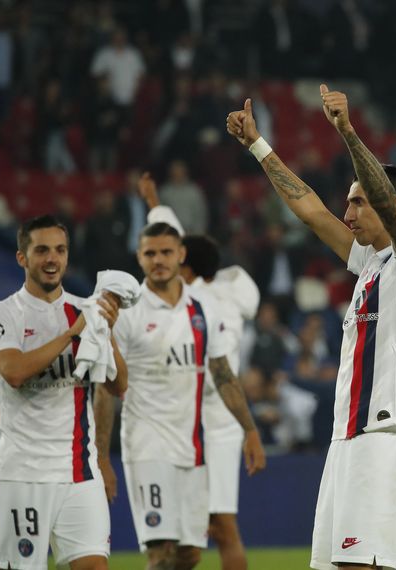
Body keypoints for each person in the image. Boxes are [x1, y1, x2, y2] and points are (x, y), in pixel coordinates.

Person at [227, 84, 396, 570]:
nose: (346, 214)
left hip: (381, 435)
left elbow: (389, 208)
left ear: (389, 204)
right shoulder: (370, 262)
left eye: (358, 203)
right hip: (345, 440)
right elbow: (309, 210)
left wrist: (347, 132)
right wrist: (259, 146)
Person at [94, 221, 266, 570]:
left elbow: (222, 374)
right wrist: (100, 456)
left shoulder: (203, 309)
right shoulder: (128, 313)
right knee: (160, 550)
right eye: (150, 253)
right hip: (147, 446)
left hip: (192, 448)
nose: (158, 260)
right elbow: (105, 387)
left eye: (166, 252)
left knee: (189, 553)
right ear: (139, 258)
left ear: (181, 255)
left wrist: (249, 430)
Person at [0, 215, 126, 570]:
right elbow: (14, 372)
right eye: (42, 250)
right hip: (23, 473)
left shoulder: (84, 310)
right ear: (22, 258)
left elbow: (118, 385)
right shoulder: (2, 314)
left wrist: (108, 333)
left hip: (79, 472)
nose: (52, 258)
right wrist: (72, 334)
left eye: (60, 250)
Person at [140, 173, 262, 569]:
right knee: (216, 530)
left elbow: (172, 239)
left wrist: (155, 203)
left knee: (208, 531)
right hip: (219, 423)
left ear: (185, 268)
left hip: (199, 421)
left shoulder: (194, 301)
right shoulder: (237, 290)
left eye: (176, 259)